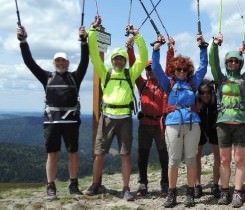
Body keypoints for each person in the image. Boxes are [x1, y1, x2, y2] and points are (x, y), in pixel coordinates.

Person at [17, 24, 89, 200]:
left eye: (63, 60)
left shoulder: (75, 76)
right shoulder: (47, 77)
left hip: (71, 122)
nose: (61, 63)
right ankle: (51, 186)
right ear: (54, 63)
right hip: (51, 122)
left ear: (68, 62)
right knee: (52, 155)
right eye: (58, 60)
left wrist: (83, 41)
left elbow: (85, 61)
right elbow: (29, 62)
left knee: (73, 154)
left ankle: (73, 185)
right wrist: (23, 41)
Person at [84, 16, 148, 201]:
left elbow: (143, 58)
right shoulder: (105, 73)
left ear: (125, 60)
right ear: (112, 60)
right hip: (107, 117)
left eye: (121, 59)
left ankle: (126, 188)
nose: (118, 61)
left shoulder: (131, 73)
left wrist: (137, 36)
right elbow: (94, 53)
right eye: (116, 59)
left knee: (125, 154)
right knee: (99, 154)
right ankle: (96, 184)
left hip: (125, 118)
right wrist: (92, 31)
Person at [151, 34, 208, 208]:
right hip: (173, 124)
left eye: (184, 70)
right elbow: (155, 67)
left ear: (188, 70)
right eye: (178, 70)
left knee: (191, 159)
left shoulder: (193, 82)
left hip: (192, 124)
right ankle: (172, 193)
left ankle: (190, 193)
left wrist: (202, 47)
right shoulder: (167, 83)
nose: (181, 72)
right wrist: (156, 50)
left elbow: (203, 67)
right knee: (174, 160)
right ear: (174, 70)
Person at [209, 33, 245, 208]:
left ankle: (237, 192)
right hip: (223, 122)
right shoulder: (221, 78)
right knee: (224, 160)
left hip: (241, 123)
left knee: (239, 159)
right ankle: (224, 191)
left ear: (240, 63)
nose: (233, 63)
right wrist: (215, 45)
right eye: (230, 61)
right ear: (226, 63)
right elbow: (213, 62)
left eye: (236, 61)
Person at [125, 36, 175, 198]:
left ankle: (165, 184)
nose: (150, 71)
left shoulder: (163, 82)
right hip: (145, 123)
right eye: (147, 69)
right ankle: (143, 183)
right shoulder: (142, 83)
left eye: (152, 68)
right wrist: (130, 49)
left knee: (163, 155)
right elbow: (133, 65)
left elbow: (168, 68)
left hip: (161, 123)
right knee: (143, 154)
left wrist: (170, 50)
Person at [194, 79, 221, 199]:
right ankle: (197, 185)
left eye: (208, 92)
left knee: (218, 156)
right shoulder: (197, 102)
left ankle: (215, 185)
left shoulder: (216, 100)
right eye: (203, 93)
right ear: (199, 93)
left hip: (214, 127)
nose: (206, 95)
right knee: (196, 156)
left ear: (212, 92)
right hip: (200, 127)